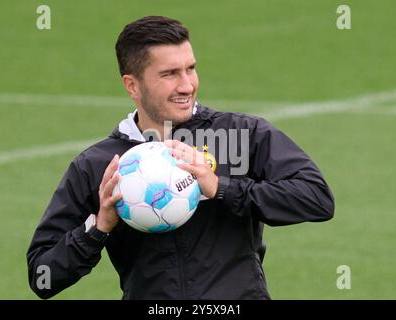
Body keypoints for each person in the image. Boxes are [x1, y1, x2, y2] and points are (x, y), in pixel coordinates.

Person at [27, 16, 334, 300]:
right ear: (132, 85)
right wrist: (98, 228)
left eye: (190, 68)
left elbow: (317, 198)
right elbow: (43, 277)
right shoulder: (100, 165)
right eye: (170, 74)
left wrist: (220, 188)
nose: (187, 85)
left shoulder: (240, 133)